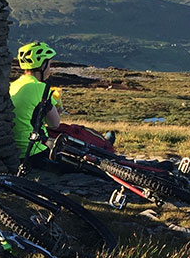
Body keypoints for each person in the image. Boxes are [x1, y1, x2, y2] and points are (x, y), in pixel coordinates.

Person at [10, 41, 116, 172]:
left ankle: (103, 143)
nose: (50, 69)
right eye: (49, 64)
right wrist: (58, 106)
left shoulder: (13, 85)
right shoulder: (41, 88)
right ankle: (104, 147)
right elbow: (54, 123)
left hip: (14, 150)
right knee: (76, 159)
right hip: (34, 151)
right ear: (42, 66)